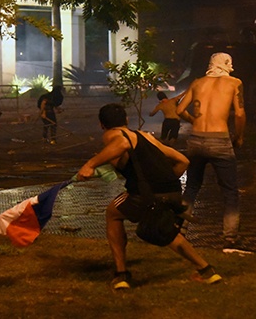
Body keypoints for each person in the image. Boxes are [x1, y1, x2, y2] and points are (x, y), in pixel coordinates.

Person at [76, 103, 222, 290]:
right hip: (172, 191)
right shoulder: (143, 136)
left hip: (146, 195)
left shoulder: (114, 135)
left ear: (101, 125)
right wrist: (163, 185)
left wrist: (90, 164)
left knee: (113, 213)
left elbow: (121, 144)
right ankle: (207, 271)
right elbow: (183, 160)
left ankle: (121, 275)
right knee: (166, 232)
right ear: (127, 120)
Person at [176, 52, 246, 253]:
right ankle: (230, 240)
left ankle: (180, 232)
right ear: (228, 64)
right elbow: (240, 113)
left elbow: (180, 110)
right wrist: (239, 137)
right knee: (230, 192)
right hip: (219, 140)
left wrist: (194, 121)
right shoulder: (234, 83)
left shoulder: (198, 83)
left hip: (196, 140)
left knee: (191, 188)